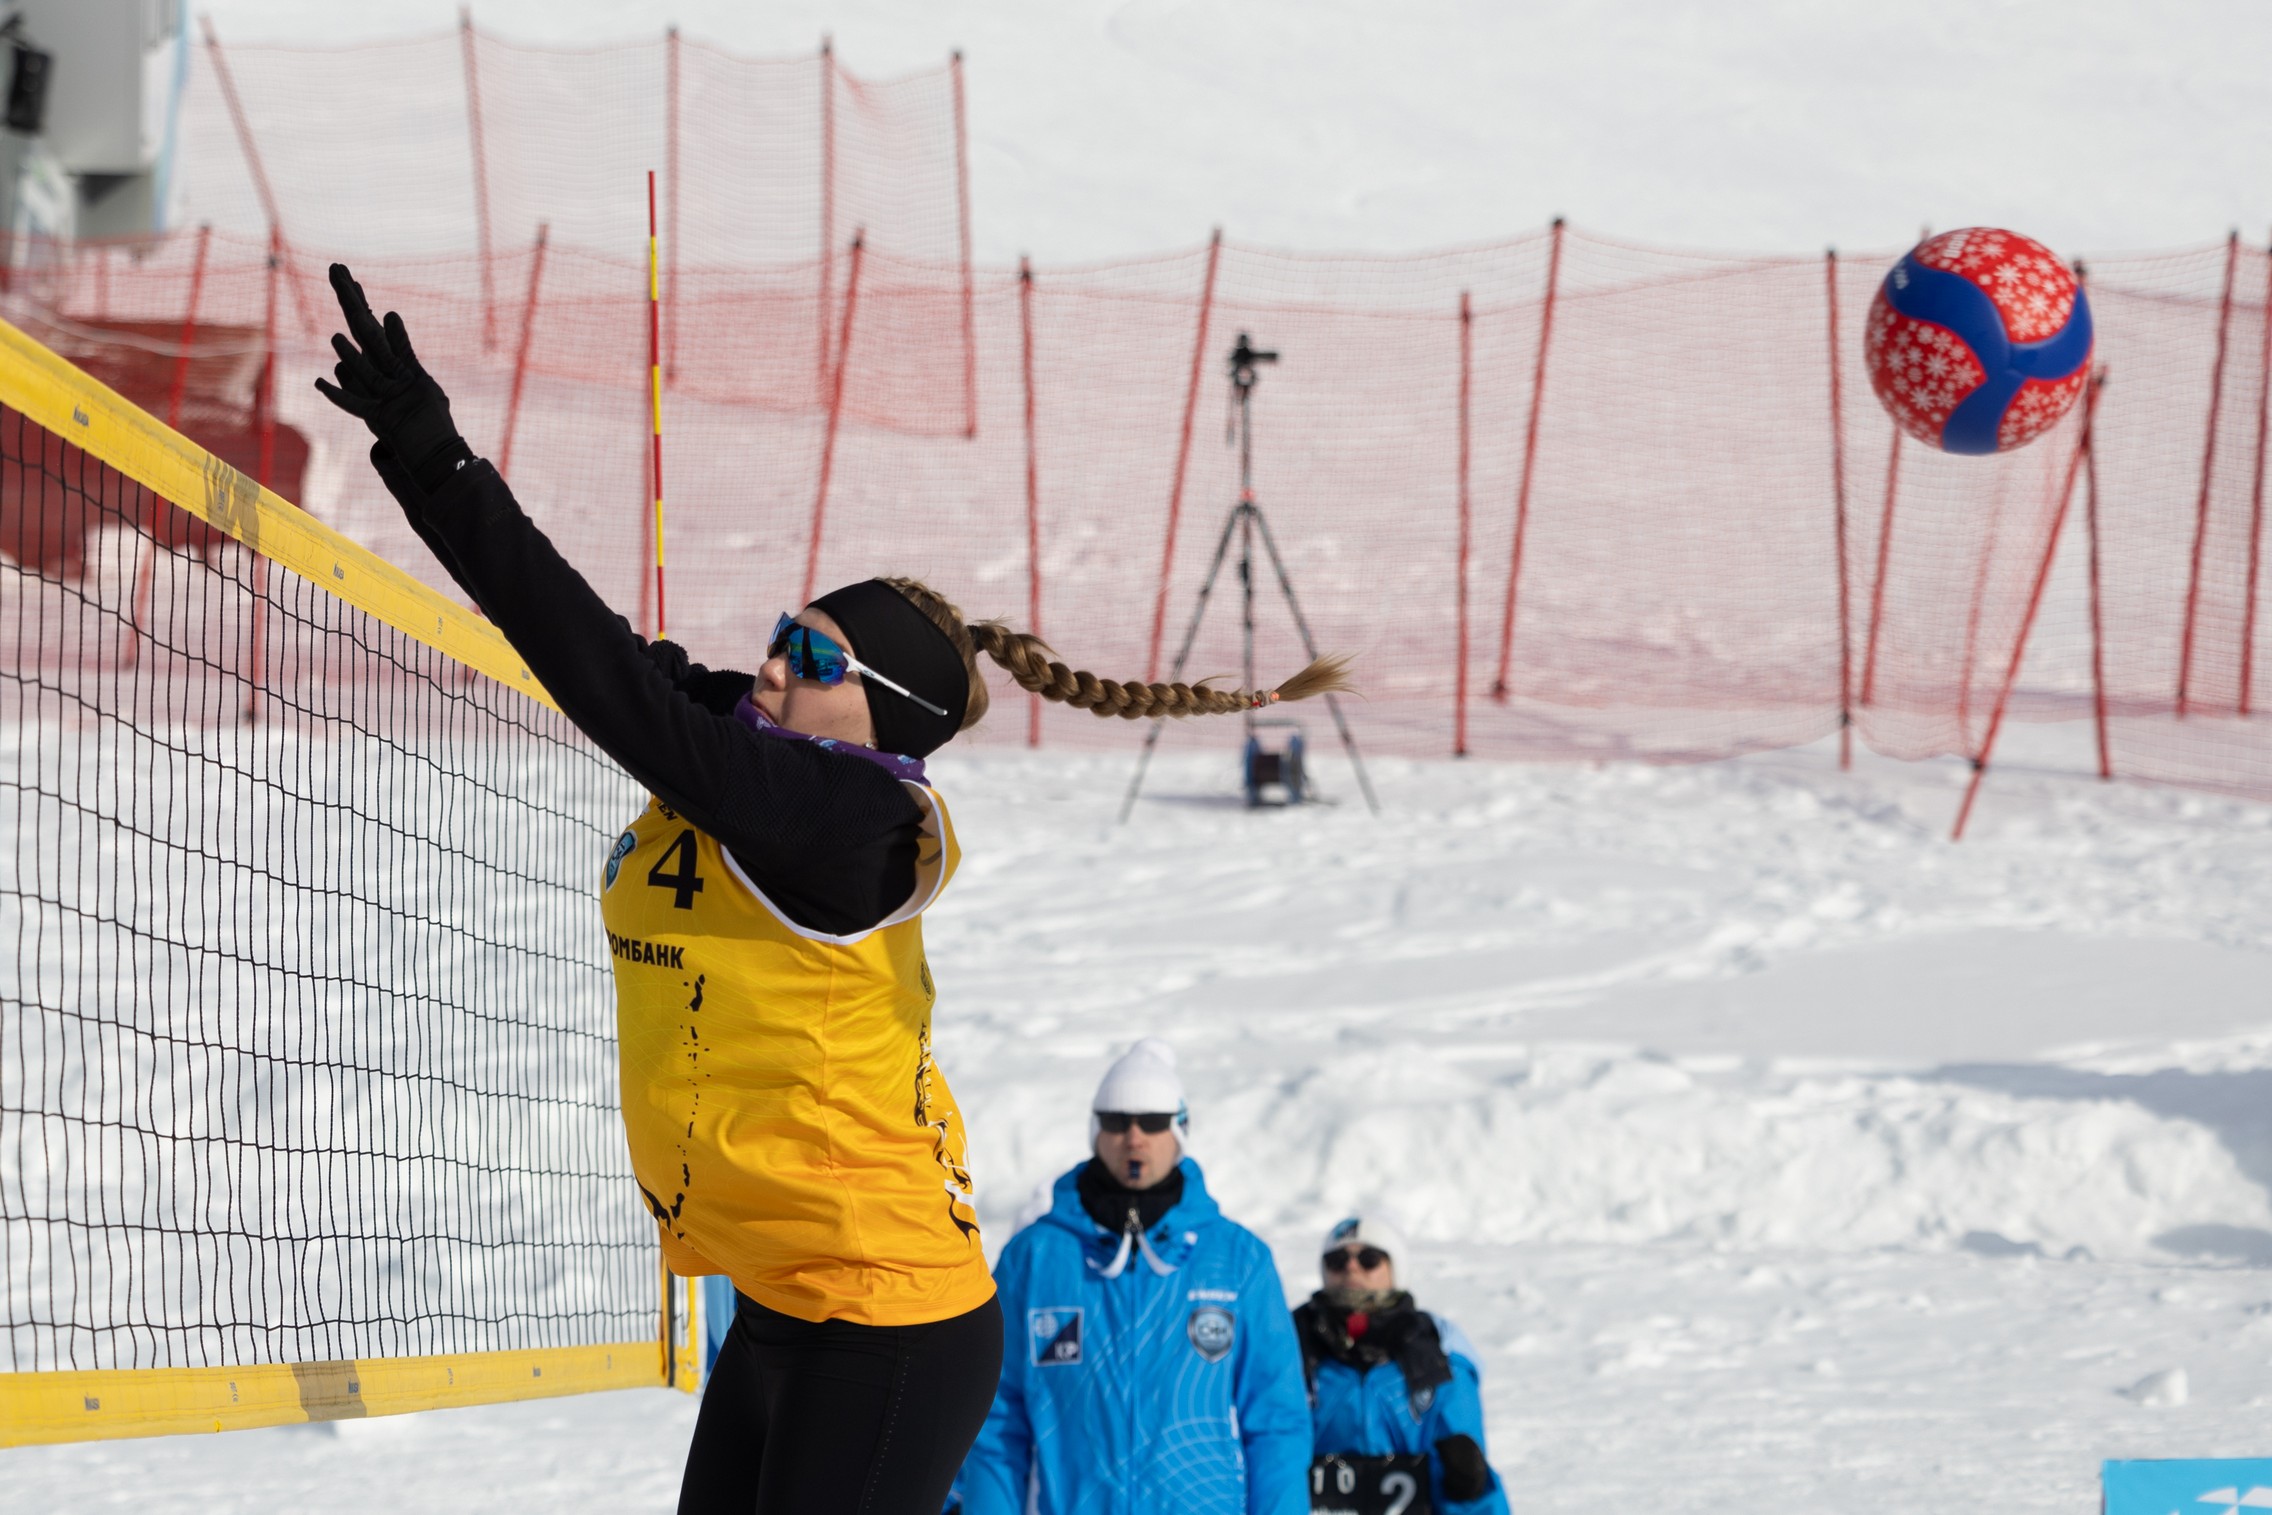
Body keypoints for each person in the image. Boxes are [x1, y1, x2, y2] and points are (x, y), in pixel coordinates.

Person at [312, 266, 1350, 1515]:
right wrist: (432, 497)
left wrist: (440, 460)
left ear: (883, 716)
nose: (768, 661)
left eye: (810, 656)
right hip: (790, 1298)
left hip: (887, 1316)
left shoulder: (848, 818)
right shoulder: (772, 759)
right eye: (782, 629)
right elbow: (601, 651)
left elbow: (612, 687)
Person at [957, 1040, 1312, 1515]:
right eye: (1116, 1120)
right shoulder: (1036, 1257)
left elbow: (1276, 1422)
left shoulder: (1238, 1259)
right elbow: (996, 1422)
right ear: (1095, 1129)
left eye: (1153, 1121)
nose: (1134, 1136)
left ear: (1180, 1130)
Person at [1295, 1216, 1509, 1515]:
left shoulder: (1437, 1355)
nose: (1351, 1268)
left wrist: (1468, 1486)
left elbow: (1469, 1480)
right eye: (1337, 1260)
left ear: (1396, 1268)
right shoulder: (1289, 1348)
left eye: (1369, 1259)